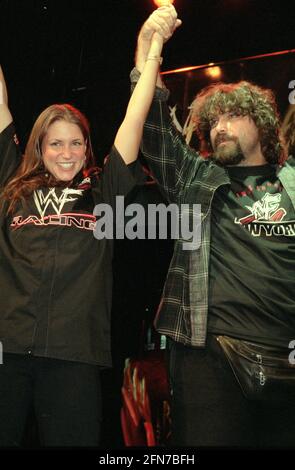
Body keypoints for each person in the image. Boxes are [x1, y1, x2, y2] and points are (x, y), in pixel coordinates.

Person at [131, 6, 295, 448]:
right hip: (211, 354)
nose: (219, 127)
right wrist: (148, 52)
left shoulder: (292, 181)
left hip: (287, 358)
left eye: (232, 117)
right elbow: (153, 127)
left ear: (260, 124)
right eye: (213, 121)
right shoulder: (196, 177)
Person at [0, 22, 165, 447]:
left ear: (87, 147)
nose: (66, 153)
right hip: (8, 351)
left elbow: (134, 117)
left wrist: (152, 54)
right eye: (55, 144)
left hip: (73, 358)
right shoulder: (12, 184)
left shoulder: (102, 193)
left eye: (75, 143)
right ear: (39, 147)